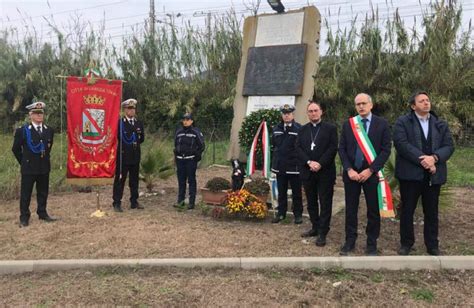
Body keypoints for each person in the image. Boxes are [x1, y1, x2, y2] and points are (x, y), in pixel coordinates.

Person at [393, 91, 454, 256]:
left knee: (432, 212)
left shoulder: (439, 123)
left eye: (427, 100)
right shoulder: (403, 122)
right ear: (413, 106)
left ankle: (432, 245)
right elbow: (402, 144)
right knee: (407, 211)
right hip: (410, 175)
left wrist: (434, 158)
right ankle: (406, 244)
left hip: (433, 176)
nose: (426, 103)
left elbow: (449, 146)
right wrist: (424, 160)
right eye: (422, 101)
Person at [338, 93, 391, 256]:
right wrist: (349, 169)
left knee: (373, 210)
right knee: (351, 210)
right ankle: (350, 241)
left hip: (371, 174)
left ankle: (371, 243)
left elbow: (385, 150)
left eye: (363, 103)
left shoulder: (382, 124)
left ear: (371, 105)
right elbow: (342, 149)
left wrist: (371, 170)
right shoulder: (349, 124)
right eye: (358, 104)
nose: (361, 107)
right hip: (352, 174)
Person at [296, 101, 338, 246]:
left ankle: (323, 231)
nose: (313, 113)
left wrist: (319, 163)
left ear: (321, 112)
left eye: (315, 110)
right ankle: (315, 226)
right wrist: (309, 162)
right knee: (311, 201)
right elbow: (298, 148)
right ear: (307, 113)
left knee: (325, 202)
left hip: (325, 172)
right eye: (310, 111)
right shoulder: (302, 130)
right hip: (308, 171)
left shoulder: (330, 128)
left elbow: (333, 148)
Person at [12, 101, 56, 227]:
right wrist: (24, 162)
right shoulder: (23, 130)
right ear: (30, 115)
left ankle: (42, 213)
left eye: (41, 113)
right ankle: (24, 217)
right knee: (26, 193)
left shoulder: (49, 130)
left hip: (43, 167)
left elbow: (48, 148)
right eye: (36, 113)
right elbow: (15, 149)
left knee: (43, 192)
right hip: (29, 168)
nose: (39, 115)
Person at [271, 104, 303, 224]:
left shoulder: (299, 128)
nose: (286, 116)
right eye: (284, 114)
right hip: (281, 166)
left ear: (292, 114)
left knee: (296, 192)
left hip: (294, 166)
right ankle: (281, 214)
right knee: (281, 191)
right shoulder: (276, 128)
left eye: (288, 113)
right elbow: (275, 145)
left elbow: (300, 147)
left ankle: (298, 214)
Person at [112, 98, 145, 212]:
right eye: (129, 109)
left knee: (134, 180)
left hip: (135, 156)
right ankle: (117, 202)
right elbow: (119, 138)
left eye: (133, 109)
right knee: (120, 180)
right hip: (123, 156)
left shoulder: (138, 123)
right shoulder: (120, 123)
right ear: (125, 110)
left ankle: (134, 201)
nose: (131, 111)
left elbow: (142, 139)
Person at [174, 112, 205, 209]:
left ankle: (191, 202)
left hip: (190, 160)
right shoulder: (179, 132)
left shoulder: (196, 132)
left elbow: (201, 145)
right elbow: (176, 144)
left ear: (191, 121)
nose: (185, 122)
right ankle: (181, 201)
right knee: (181, 181)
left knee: (191, 181)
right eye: (184, 120)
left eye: (187, 120)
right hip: (180, 160)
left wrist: (196, 155)